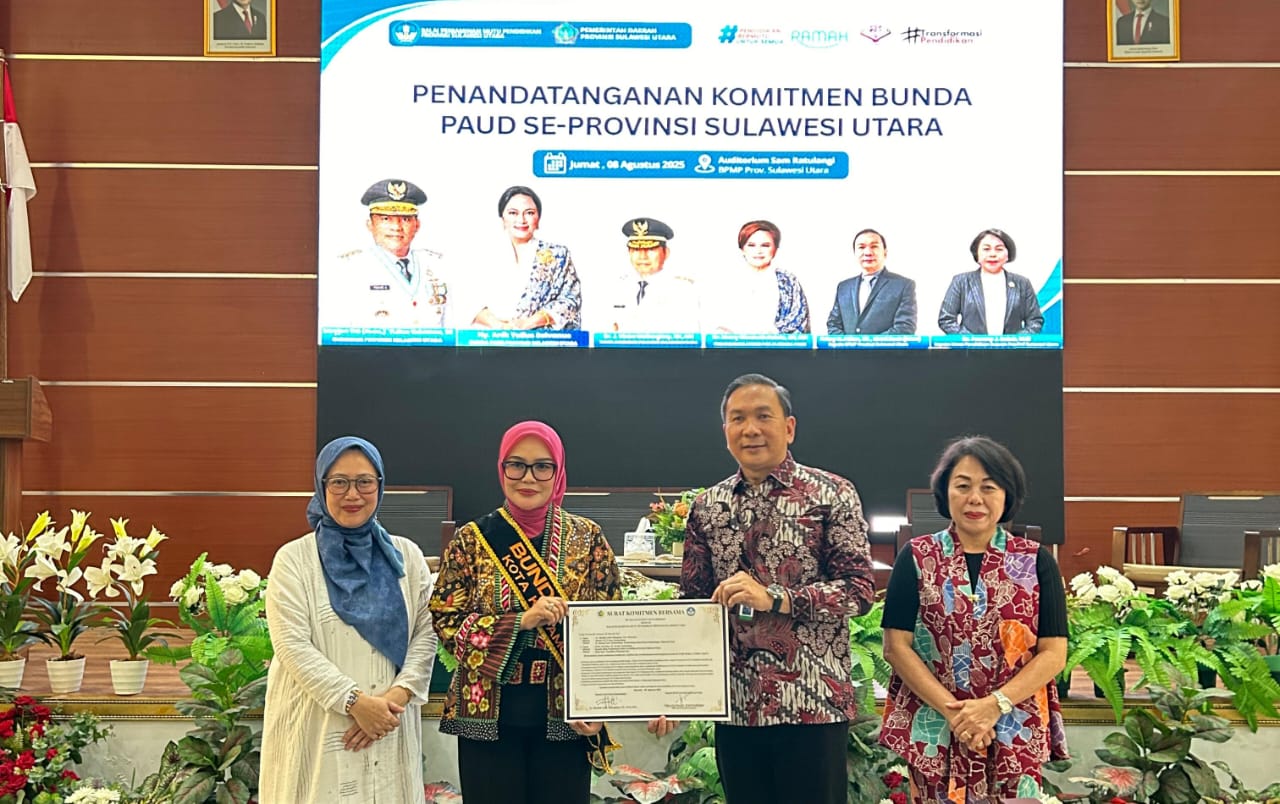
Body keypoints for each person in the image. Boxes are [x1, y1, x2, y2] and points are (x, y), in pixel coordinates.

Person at [677, 373, 875, 804]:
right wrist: (671, 691)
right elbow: (692, 606)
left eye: (763, 416)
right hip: (736, 708)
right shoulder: (708, 506)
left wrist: (776, 598)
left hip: (813, 704)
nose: (750, 429)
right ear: (725, 431)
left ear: (789, 427)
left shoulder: (832, 494)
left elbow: (859, 590)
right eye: (738, 418)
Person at [430, 421, 622, 804]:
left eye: (542, 466)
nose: (528, 477)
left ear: (558, 471)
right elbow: (445, 619)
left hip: (565, 714)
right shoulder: (471, 540)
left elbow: (610, 624)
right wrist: (520, 621)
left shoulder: (587, 538)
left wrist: (599, 702)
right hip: (486, 713)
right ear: (501, 469)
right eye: (516, 465)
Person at [879, 436, 1069, 802]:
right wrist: (957, 715)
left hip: (1013, 728)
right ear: (944, 492)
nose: (975, 499)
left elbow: (1054, 653)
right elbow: (896, 647)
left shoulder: (1036, 561)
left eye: (988, 487)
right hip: (935, 727)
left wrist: (992, 705)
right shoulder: (916, 557)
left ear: (1007, 494)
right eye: (963, 486)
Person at [260, 436, 437, 803]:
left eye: (364, 482)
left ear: (380, 486)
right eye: (339, 482)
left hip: (390, 720)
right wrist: (355, 703)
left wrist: (395, 697)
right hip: (318, 721)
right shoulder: (294, 560)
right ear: (321, 485)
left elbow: (426, 632)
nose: (352, 494)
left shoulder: (406, 556)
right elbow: (291, 645)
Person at [324, 178, 450, 329]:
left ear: (417, 225)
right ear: (370, 225)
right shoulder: (348, 269)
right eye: (386, 219)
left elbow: (463, 321)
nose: (396, 227)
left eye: (405, 219)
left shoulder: (438, 266)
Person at [457, 186, 583, 330]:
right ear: (502, 218)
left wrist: (528, 323)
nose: (521, 220)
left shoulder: (557, 255)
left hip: (541, 339)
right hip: (491, 338)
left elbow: (569, 301)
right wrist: (499, 326)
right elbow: (468, 299)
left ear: (538, 218)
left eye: (529, 213)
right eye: (513, 213)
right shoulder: (481, 254)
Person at [597, 217, 699, 333]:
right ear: (629, 253)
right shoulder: (615, 288)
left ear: (666, 253)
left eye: (650, 249)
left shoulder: (683, 291)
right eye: (636, 250)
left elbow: (689, 337)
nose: (642, 257)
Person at [937, 228, 1044, 335]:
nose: (992, 254)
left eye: (999, 249)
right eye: (986, 249)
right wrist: (971, 341)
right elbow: (946, 319)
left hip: (1012, 346)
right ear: (977, 254)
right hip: (970, 345)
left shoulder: (1022, 283)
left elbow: (1035, 321)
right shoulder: (961, 282)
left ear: (1008, 255)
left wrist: (1016, 341)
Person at [712, 220, 810, 334]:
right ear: (742, 249)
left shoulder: (788, 281)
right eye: (751, 245)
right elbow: (715, 324)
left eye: (765, 245)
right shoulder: (726, 281)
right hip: (732, 344)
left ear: (775, 249)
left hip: (775, 344)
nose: (758, 251)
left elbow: (798, 321)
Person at [826, 228, 918, 334]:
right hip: (847, 346)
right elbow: (833, 324)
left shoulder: (903, 285)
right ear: (855, 253)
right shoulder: (844, 287)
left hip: (886, 346)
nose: (868, 252)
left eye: (874, 246)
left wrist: (869, 342)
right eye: (861, 247)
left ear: (885, 253)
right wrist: (849, 343)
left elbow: (904, 328)